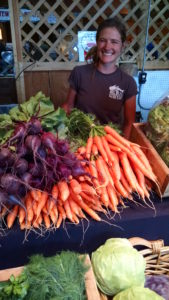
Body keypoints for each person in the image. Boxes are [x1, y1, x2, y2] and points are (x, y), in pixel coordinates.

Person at [62, 17, 137, 139]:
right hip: (79, 141)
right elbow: (68, 106)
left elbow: (129, 123)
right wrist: (52, 120)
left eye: (114, 41)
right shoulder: (79, 73)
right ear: (97, 42)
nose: (107, 47)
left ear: (122, 46)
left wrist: (125, 148)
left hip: (110, 144)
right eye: (103, 40)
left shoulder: (128, 83)